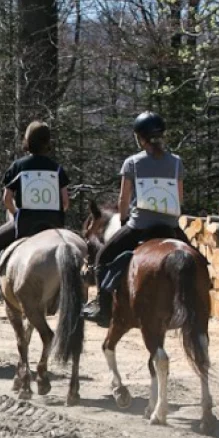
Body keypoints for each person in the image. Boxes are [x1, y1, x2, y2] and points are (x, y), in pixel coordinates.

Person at [82, 111, 190, 326]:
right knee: (196, 258)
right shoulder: (177, 162)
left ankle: (103, 309)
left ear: (140, 138)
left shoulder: (132, 163)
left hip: (140, 226)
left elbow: (124, 198)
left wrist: (123, 221)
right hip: (169, 225)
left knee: (102, 256)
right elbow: (179, 197)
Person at [0, 121, 70, 304]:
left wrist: (16, 214)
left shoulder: (19, 166)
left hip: (26, 222)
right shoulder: (56, 168)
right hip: (53, 224)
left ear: (28, 141)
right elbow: (65, 202)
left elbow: (7, 200)